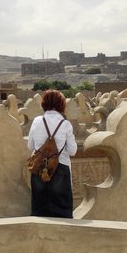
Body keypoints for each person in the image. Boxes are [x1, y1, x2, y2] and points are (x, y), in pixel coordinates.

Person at [27, 89, 77, 218]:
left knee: (39, 209)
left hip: (39, 168)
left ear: (44, 103)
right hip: (60, 168)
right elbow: (72, 151)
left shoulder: (37, 121)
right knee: (62, 211)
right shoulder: (65, 124)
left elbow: (30, 146)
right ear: (61, 104)